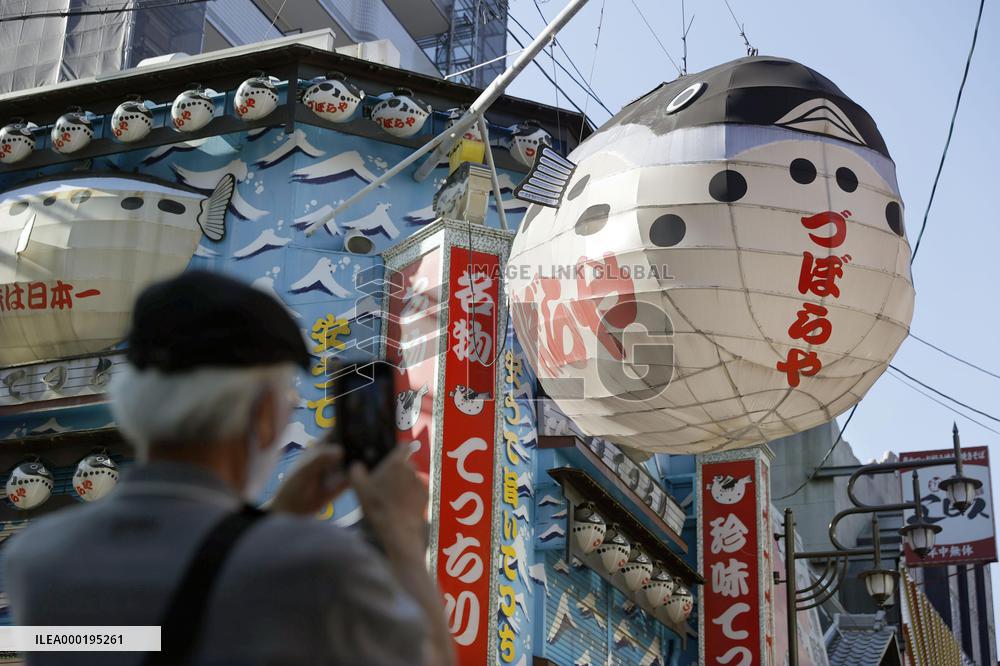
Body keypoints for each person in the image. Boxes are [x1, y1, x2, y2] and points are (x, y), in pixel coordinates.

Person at [4, 271, 456, 666]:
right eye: (286, 402)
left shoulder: (38, 559)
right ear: (262, 415)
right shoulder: (316, 563)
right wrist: (400, 534)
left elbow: (146, 636)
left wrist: (277, 516)